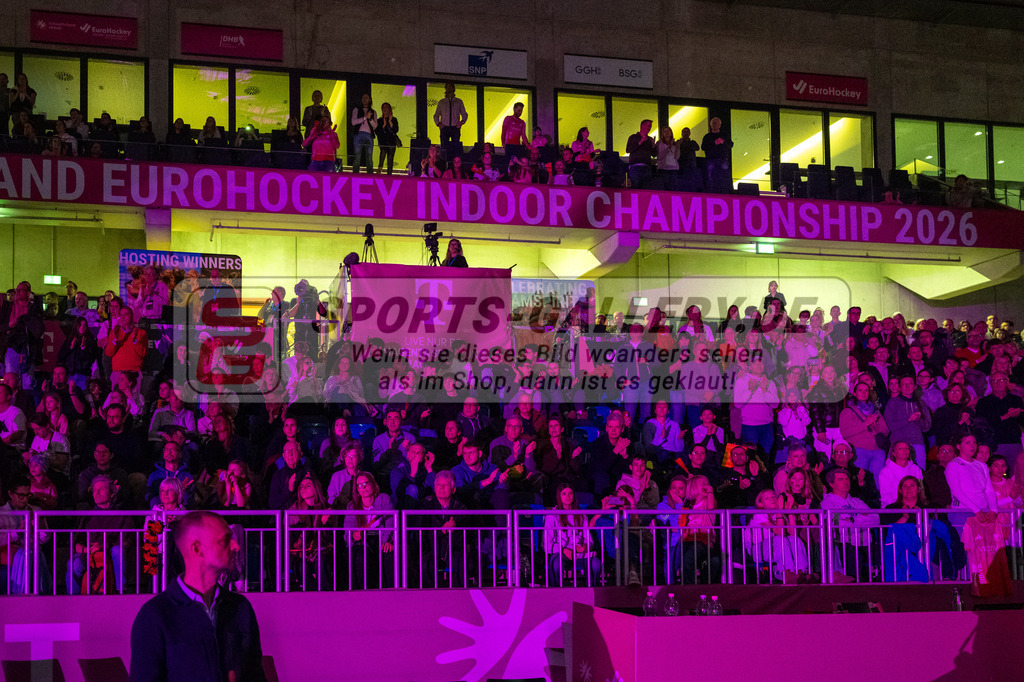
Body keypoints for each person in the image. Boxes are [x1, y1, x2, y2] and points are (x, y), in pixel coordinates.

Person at [130, 511, 265, 682]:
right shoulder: (155, 616)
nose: (235, 546)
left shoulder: (240, 607)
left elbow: (256, 676)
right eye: (225, 540)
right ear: (197, 549)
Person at [701, 117, 733, 194]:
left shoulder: (724, 135)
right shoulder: (707, 136)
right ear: (710, 125)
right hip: (711, 159)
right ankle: (710, 192)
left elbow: (731, 144)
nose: (714, 125)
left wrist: (723, 142)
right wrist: (714, 143)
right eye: (713, 123)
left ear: (720, 125)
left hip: (722, 159)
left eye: (716, 123)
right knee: (710, 177)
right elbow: (703, 147)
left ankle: (724, 191)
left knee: (723, 176)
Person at [433, 81, 468, 147]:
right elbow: (436, 115)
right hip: (444, 128)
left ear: (453, 88)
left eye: (450, 87)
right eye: (447, 87)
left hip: (455, 128)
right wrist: (438, 124)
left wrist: (461, 122)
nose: (448, 89)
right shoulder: (442, 102)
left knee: (455, 147)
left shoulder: (458, 101)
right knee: (444, 148)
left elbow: (464, 113)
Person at [625, 119, 655, 189]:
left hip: (647, 167)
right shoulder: (633, 137)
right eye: (648, 126)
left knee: (646, 189)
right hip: (635, 167)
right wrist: (640, 142)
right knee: (635, 188)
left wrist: (653, 145)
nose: (649, 128)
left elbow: (654, 154)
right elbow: (628, 150)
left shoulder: (649, 140)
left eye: (650, 126)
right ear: (642, 126)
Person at [351, 92, 377, 173]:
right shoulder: (356, 109)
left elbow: (375, 125)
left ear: (369, 100)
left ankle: (370, 176)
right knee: (357, 156)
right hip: (358, 134)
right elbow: (353, 122)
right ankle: (355, 176)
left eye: (366, 98)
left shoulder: (373, 112)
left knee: (369, 157)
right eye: (363, 98)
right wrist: (365, 117)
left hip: (369, 135)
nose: (365, 100)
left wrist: (370, 119)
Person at [375, 102, 400, 174]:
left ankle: (389, 175)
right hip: (383, 142)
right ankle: (379, 172)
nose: (385, 109)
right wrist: (384, 125)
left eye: (386, 107)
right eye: (383, 108)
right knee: (382, 157)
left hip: (391, 142)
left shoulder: (394, 119)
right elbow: (377, 132)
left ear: (389, 109)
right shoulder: (379, 120)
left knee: (390, 159)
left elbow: (396, 130)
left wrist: (390, 122)